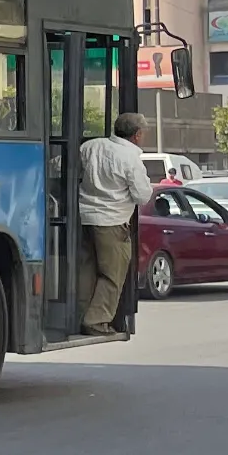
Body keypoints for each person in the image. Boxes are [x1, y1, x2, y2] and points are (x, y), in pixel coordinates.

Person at [76, 111, 153, 335]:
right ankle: (96, 321)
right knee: (112, 275)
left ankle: (77, 315)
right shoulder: (130, 159)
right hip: (112, 223)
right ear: (137, 135)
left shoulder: (91, 146)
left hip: (84, 219)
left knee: (86, 271)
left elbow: (60, 165)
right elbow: (142, 196)